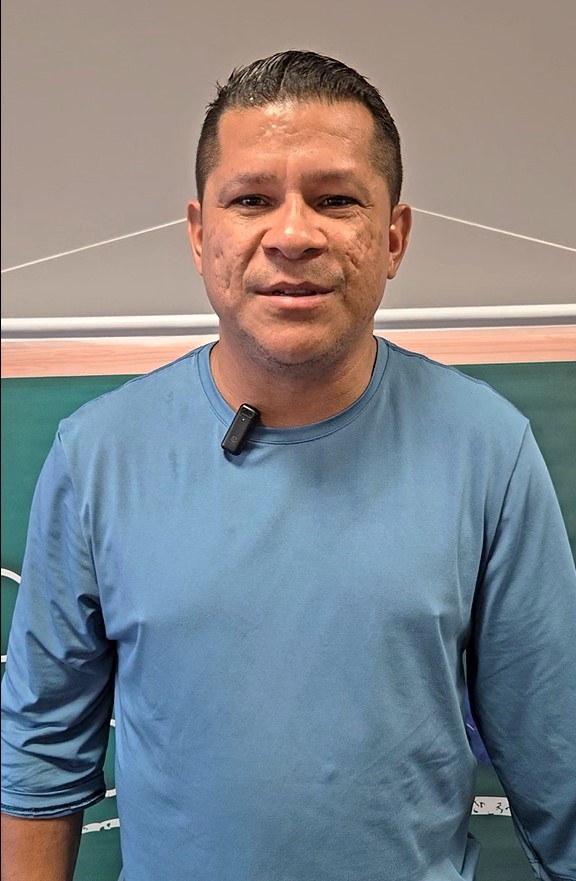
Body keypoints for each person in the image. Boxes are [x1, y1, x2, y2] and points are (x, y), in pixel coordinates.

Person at [1, 49, 575, 881]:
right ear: (201, 235)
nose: (294, 234)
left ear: (393, 237)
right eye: (252, 200)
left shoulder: (489, 450)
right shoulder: (97, 457)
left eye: (336, 199)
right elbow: (40, 754)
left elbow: (558, 762)